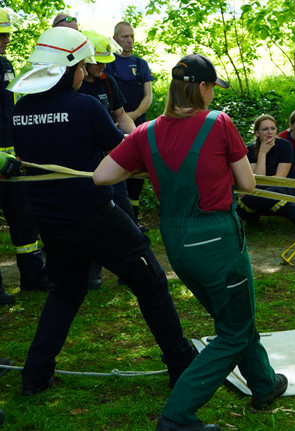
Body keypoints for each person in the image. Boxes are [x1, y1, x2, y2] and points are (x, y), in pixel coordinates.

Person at [94, 53, 288, 431]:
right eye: (212, 86)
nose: (214, 94)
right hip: (217, 241)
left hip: (179, 247)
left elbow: (102, 175)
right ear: (201, 87)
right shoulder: (219, 123)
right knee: (232, 331)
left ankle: (263, 384)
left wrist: (144, 164)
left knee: (234, 317)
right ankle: (177, 415)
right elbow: (248, 185)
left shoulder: (145, 131)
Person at [9, 27, 196, 397]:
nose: (85, 71)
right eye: (81, 65)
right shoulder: (84, 106)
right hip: (96, 218)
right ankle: (181, 365)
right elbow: (125, 154)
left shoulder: (22, 110)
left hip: (52, 222)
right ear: (68, 69)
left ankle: (35, 375)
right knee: (152, 283)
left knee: (66, 291)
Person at [0, 8, 52, 304]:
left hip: (14, 161)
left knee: (25, 220)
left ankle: (33, 277)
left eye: (6, 33)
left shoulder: (5, 64)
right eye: (1, 34)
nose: (6, 39)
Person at [79, 29, 137, 290]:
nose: (102, 67)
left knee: (124, 213)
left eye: (105, 62)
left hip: (112, 160)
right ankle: (92, 271)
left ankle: (132, 268)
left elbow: (121, 114)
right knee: (90, 216)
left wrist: (137, 139)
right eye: (97, 62)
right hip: (84, 163)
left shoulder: (108, 82)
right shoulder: (75, 84)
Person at [237, 114, 295, 237]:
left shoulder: (284, 145)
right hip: (262, 189)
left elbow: (278, 179)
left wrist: (255, 187)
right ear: (257, 133)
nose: (269, 132)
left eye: (273, 128)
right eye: (265, 129)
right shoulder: (250, 149)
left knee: (270, 192)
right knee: (248, 195)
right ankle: (236, 225)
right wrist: (262, 153)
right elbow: (258, 179)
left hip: (285, 186)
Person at [108, 21, 153, 227]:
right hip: (115, 127)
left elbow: (148, 96)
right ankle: (120, 222)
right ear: (115, 38)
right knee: (119, 175)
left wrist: (132, 116)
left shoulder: (141, 63)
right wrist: (121, 119)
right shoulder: (108, 63)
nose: (129, 40)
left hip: (137, 124)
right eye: (125, 36)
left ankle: (135, 221)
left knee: (137, 174)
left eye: (132, 36)